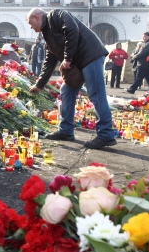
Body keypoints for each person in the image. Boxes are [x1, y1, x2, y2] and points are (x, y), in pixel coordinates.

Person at [26, 8, 116, 150]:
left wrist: (67, 58)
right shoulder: (46, 34)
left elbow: (72, 30)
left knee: (96, 94)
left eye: (31, 24)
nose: (31, 28)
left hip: (90, 55)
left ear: (36, 17)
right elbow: (50, 60)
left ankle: (106, 134)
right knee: (66, 92)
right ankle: (66, 130)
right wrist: (39, 85)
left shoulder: (56, 15)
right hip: (76, 62)